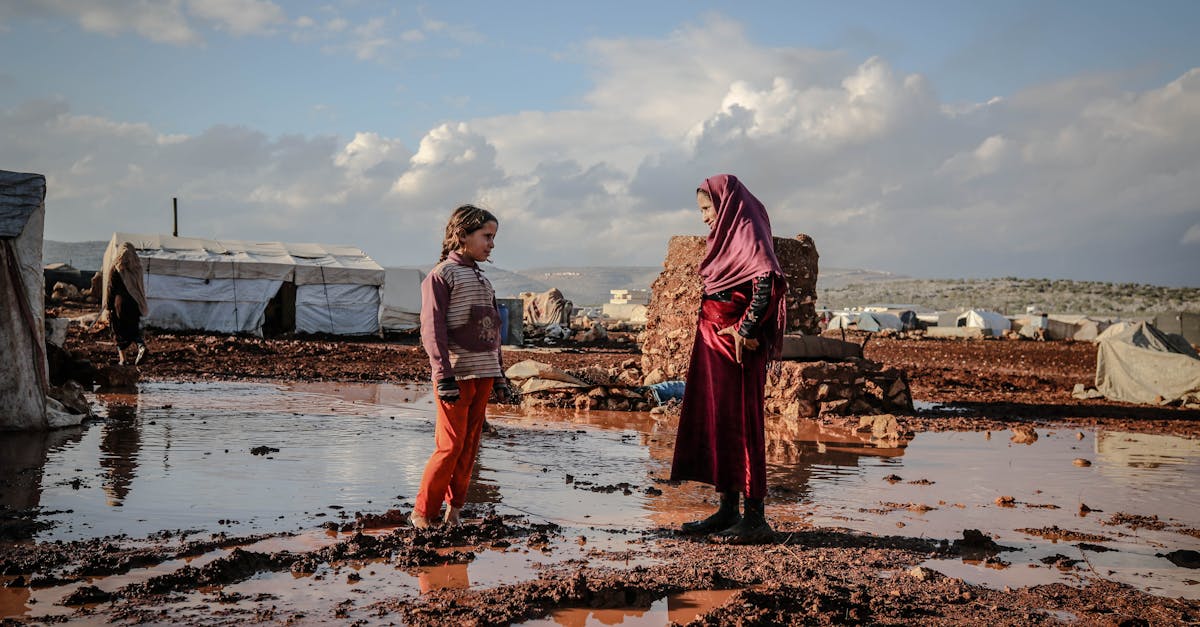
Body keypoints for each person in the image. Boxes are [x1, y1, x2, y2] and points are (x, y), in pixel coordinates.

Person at [671, 174, 787, 544]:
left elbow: (767, 280)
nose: (704, 217)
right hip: (713, 344)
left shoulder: (748, 232)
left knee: (741, 423)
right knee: (719, 422)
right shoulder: (726, 240)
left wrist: (746, 331)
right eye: (702, 210)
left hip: (733, 347)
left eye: (707, 208)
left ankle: (755, 518)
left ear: (727, 205)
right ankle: (727, 510)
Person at [413, 204, 510, 529]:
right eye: (486, 236)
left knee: (470, 445)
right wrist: (443, 375)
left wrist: (500, 376)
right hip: (455, 376)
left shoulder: (482, 280)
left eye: (493, 237)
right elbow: (432, 328)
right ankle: (423, 513)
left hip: (483, 374)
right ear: (461, 235)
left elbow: (492, 331)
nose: (491, 244)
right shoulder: (441, 276)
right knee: (450, 445)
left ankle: (454, 511)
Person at [101, 242, 149, 366]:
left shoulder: (116, 267)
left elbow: (110, 289)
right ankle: (141, 345)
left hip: (120, 305)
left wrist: (108, 307)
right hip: (135, 303)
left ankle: (123, 359)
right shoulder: (137, 268)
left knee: (118, 332)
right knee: (133, 330)